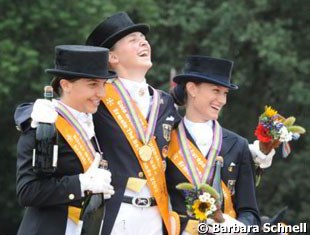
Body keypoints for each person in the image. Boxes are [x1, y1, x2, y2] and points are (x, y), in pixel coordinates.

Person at [15, 12, 180, 235]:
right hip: (112, 213)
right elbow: (60, 106)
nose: (144, 42)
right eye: (133, 39)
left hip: (150, 213)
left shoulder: (164, 101)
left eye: (143, 37)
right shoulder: (101, 99)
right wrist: (30, 114)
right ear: (111, 58)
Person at [16, 45, 116, 235]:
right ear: (65, 85)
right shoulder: (42, 121)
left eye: (104, 84)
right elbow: (27, 192)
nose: (102, 94)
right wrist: (81, 183)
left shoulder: (91, 120)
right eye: (93, 84)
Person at [166, 55, 260, 234]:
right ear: (192, 89)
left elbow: (250, 213)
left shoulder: (238, 145)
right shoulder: (166, 138)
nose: (222, 100)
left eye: (225, 93)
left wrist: (237, 228)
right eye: (216, 91)